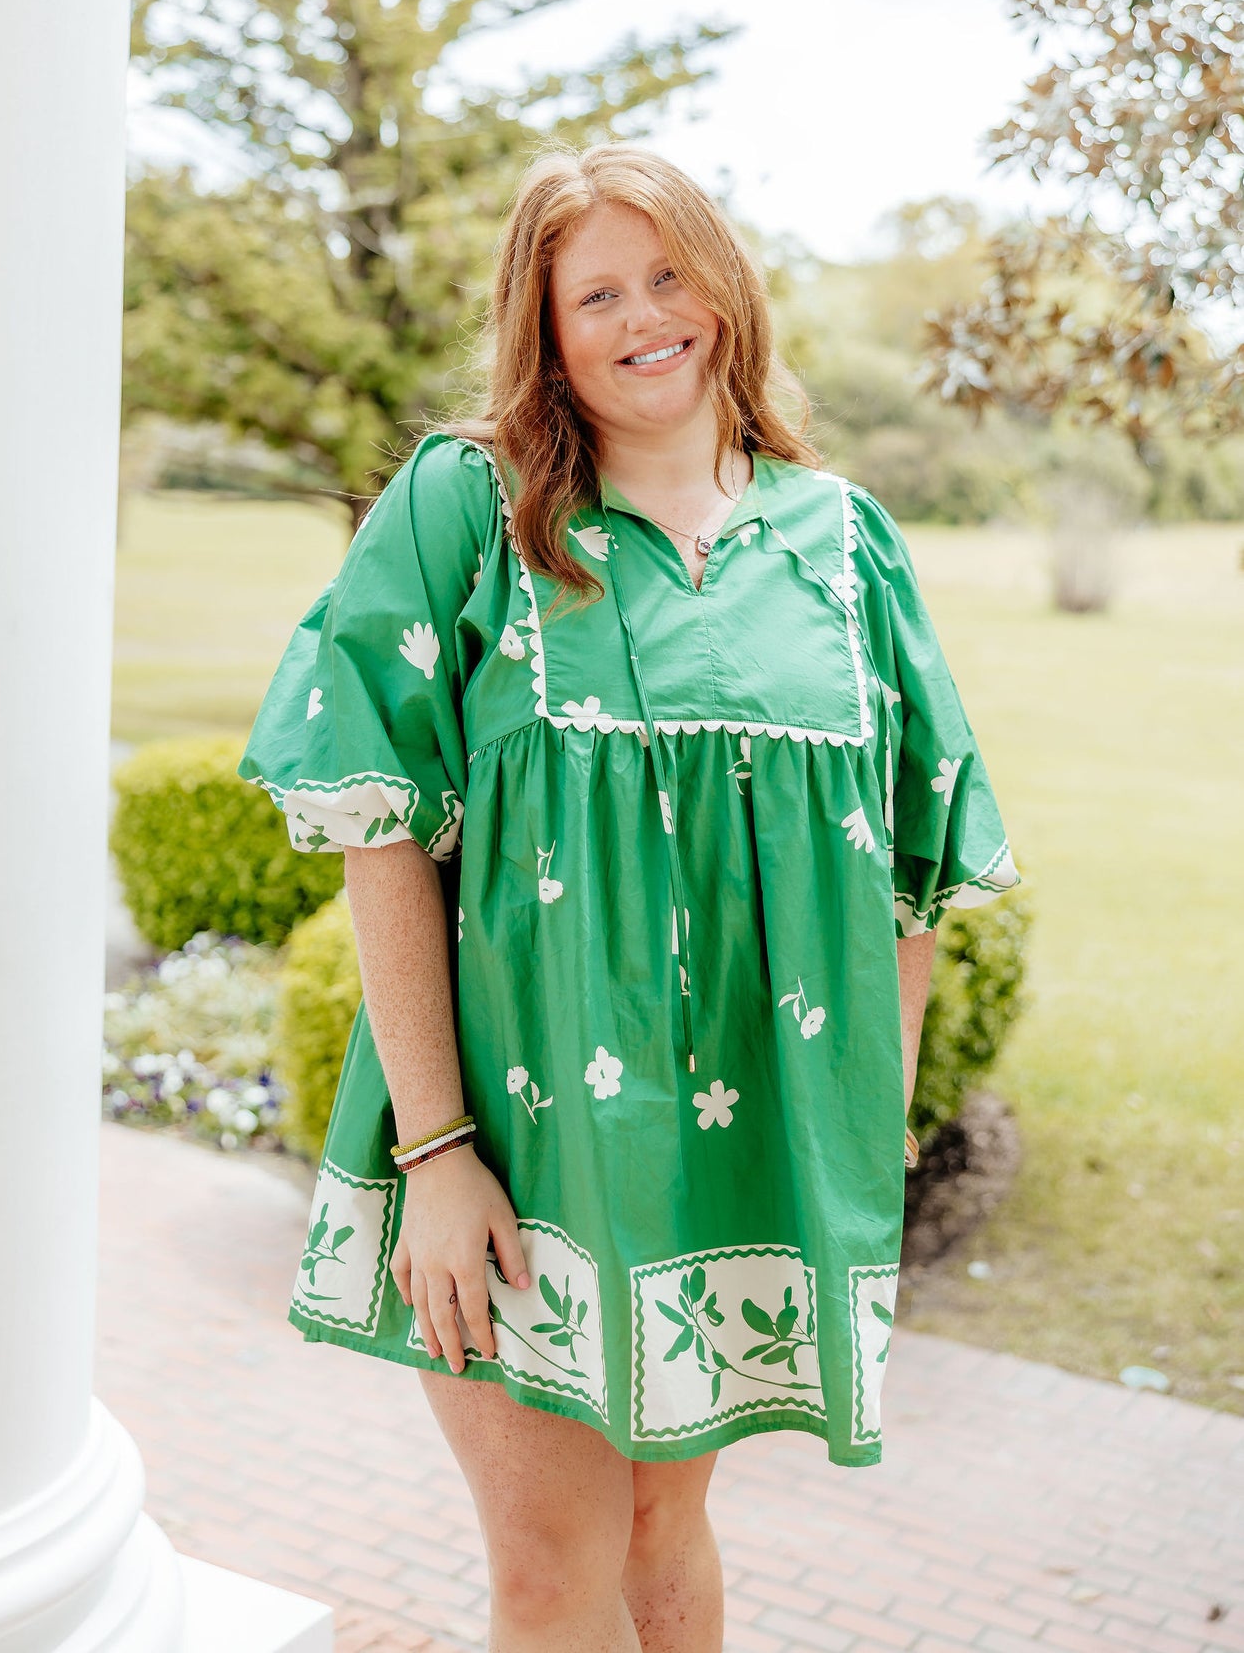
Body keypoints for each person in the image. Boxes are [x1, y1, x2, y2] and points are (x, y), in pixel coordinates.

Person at [241, 144, 1019, 1651]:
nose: (643, 318)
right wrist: (436, 1153)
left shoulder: (841, 540)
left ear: (725, 290)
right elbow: (379, 832)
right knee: (550, 1570)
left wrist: (857, 1144)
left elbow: (906, 884)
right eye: (595, 295)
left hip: (727, 1163)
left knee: (668, 1532)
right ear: (544, 327)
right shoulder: (468, 501)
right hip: (514, 1147)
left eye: (668, 277)